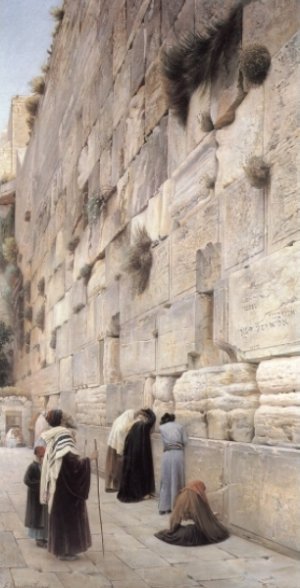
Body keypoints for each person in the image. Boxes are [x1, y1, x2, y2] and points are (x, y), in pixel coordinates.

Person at [40, 409, 94, 561]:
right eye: (63, 415)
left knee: (61, 517)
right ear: (61, 419)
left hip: (58, 484)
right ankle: (66, 551)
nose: (66, 415)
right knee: (68, 517)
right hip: (65, 488)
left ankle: (62, 550)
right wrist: (89, 460)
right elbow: (71, 463)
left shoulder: (55, 432)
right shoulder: (63, 433)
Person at [154, 480, 229, 546]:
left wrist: (174, 530)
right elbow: (202, 521)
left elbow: (175, 520)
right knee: (215, 531)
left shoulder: (181, 497)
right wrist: (211, 517)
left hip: (181, 534)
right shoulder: (197, 501)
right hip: (193, 534)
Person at [117, 408, 156, 503]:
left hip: (130, 455)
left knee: (131, 476)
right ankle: (141, 494)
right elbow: (152, 419)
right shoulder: (142, 425)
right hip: (138, 455)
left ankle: (133, 493)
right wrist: (148, 411)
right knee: (138, 475)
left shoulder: (132, 426)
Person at [158, 413, 188, 515]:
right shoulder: (180, 427)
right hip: (178, 454)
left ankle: (163, 507)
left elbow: (164, 443)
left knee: (166, 480)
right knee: (177, 479)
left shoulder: (161, 428)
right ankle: (176, 506)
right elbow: (185, 441)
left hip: (167, 454)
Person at [105, 408, 141, 492]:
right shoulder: (122, 426)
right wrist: (122, 452)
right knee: (117, 467)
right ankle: (115, 486)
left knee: (110, 466)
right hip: (116, 447)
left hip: (111, 444)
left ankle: (109, 485)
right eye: (133, 417)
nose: (133, 418)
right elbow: (121, 440)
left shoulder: (119, 420)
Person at [24, 439, 48, 548]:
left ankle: (44, 538)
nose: (42, 453)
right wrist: (40, 485)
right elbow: (27, 480)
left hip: (44, 496)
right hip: (35, 497)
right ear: (36, 452)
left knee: (44, 517)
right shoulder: (33, 466)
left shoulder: (45, 465)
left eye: (43, 451)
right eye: (40, 451)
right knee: (37, 518)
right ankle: (39, 539)